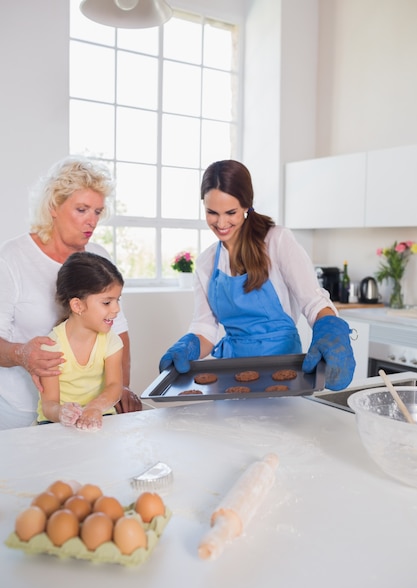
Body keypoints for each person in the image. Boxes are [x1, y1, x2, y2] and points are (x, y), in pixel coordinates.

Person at [159, 159, 355, 391]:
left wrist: (331, 330)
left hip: (285, 374)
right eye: (212, 212)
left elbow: (313, 302)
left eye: (230, 212)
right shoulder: (206, 263)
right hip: (230, 375)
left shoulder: (277, 241)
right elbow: (205, 329)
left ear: (246, 206)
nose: (221, 223)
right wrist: (188, 346)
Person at [0, 156, 142, 430]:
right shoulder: (12, 258)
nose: (92, 221)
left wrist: (121, 387)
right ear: (53, 206)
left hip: (89, 413)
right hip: (20, 412)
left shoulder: (97, 255)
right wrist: (21, 355)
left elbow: (119, 332)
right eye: (82, 209)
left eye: (98, 212)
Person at [37, 252, 124, 430]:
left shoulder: (111, 342)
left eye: (117, 300)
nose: (116, 309)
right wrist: (61, 412)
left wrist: (95, 407)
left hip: (101, 414)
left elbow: (115, 386)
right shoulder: (51, 347)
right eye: (107, 302)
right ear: (77, 305)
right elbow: (49, 404)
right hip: (55, 423)